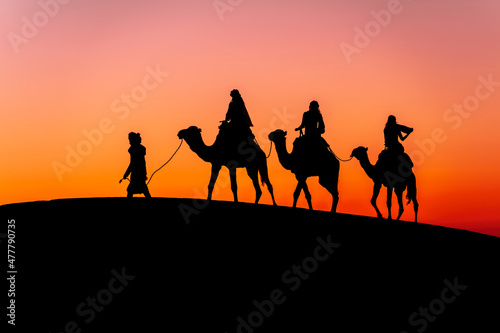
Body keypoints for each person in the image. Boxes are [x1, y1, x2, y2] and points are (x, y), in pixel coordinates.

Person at [120, 132, 151, 198]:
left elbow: (133, 163)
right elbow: (142, 163)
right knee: (143, 189)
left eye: (130, 139)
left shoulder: (134, 149)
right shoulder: (139, 149)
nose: (129, 141)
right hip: (140, 173)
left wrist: (126, 173)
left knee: (131, 190)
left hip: (137, 173)